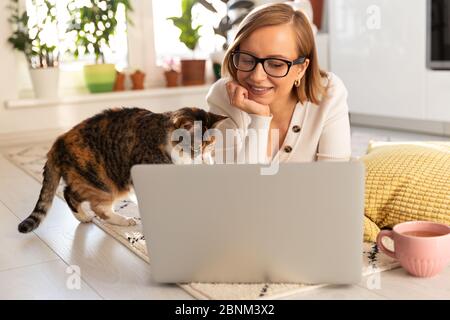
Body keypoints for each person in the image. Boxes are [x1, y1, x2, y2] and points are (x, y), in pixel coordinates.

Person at [206, 2, 351, 164]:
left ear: (301, 69)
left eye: (276, 64)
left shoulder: (329, 93)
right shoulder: (223, 96)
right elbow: (235, 185)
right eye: (247, 60)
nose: (257, 76)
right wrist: (259, 119)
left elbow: (334, 182)